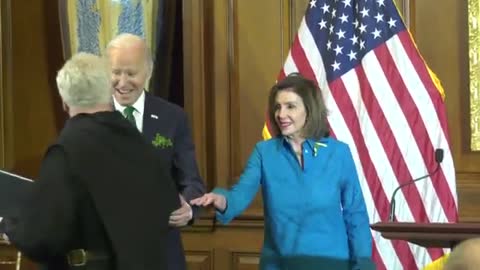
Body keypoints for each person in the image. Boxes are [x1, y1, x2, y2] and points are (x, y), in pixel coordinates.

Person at [0, 52, 180, 270]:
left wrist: (10, 226)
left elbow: (42, 238)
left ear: (64, 100)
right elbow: (168, 206)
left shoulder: (66, 151)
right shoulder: (140, 143)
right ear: (108, 92)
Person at [191, 74, 373, 269]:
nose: (280, 114)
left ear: (309, 110)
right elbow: (240, 195)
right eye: (277, 107)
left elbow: (356, 215)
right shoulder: (264, 152)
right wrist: (221, 200)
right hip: (280, 264)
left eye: (290, 106)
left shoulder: (338, 153)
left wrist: (362, 264)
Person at [105, 33, 206, 270]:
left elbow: (193, 182)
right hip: (107, 253)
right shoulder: (90, 115)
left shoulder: (173, 117)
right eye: (115, 72)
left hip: (161, 254)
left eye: (131, 73)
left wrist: (188, 208)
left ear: (148, 72)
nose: (122, 82)